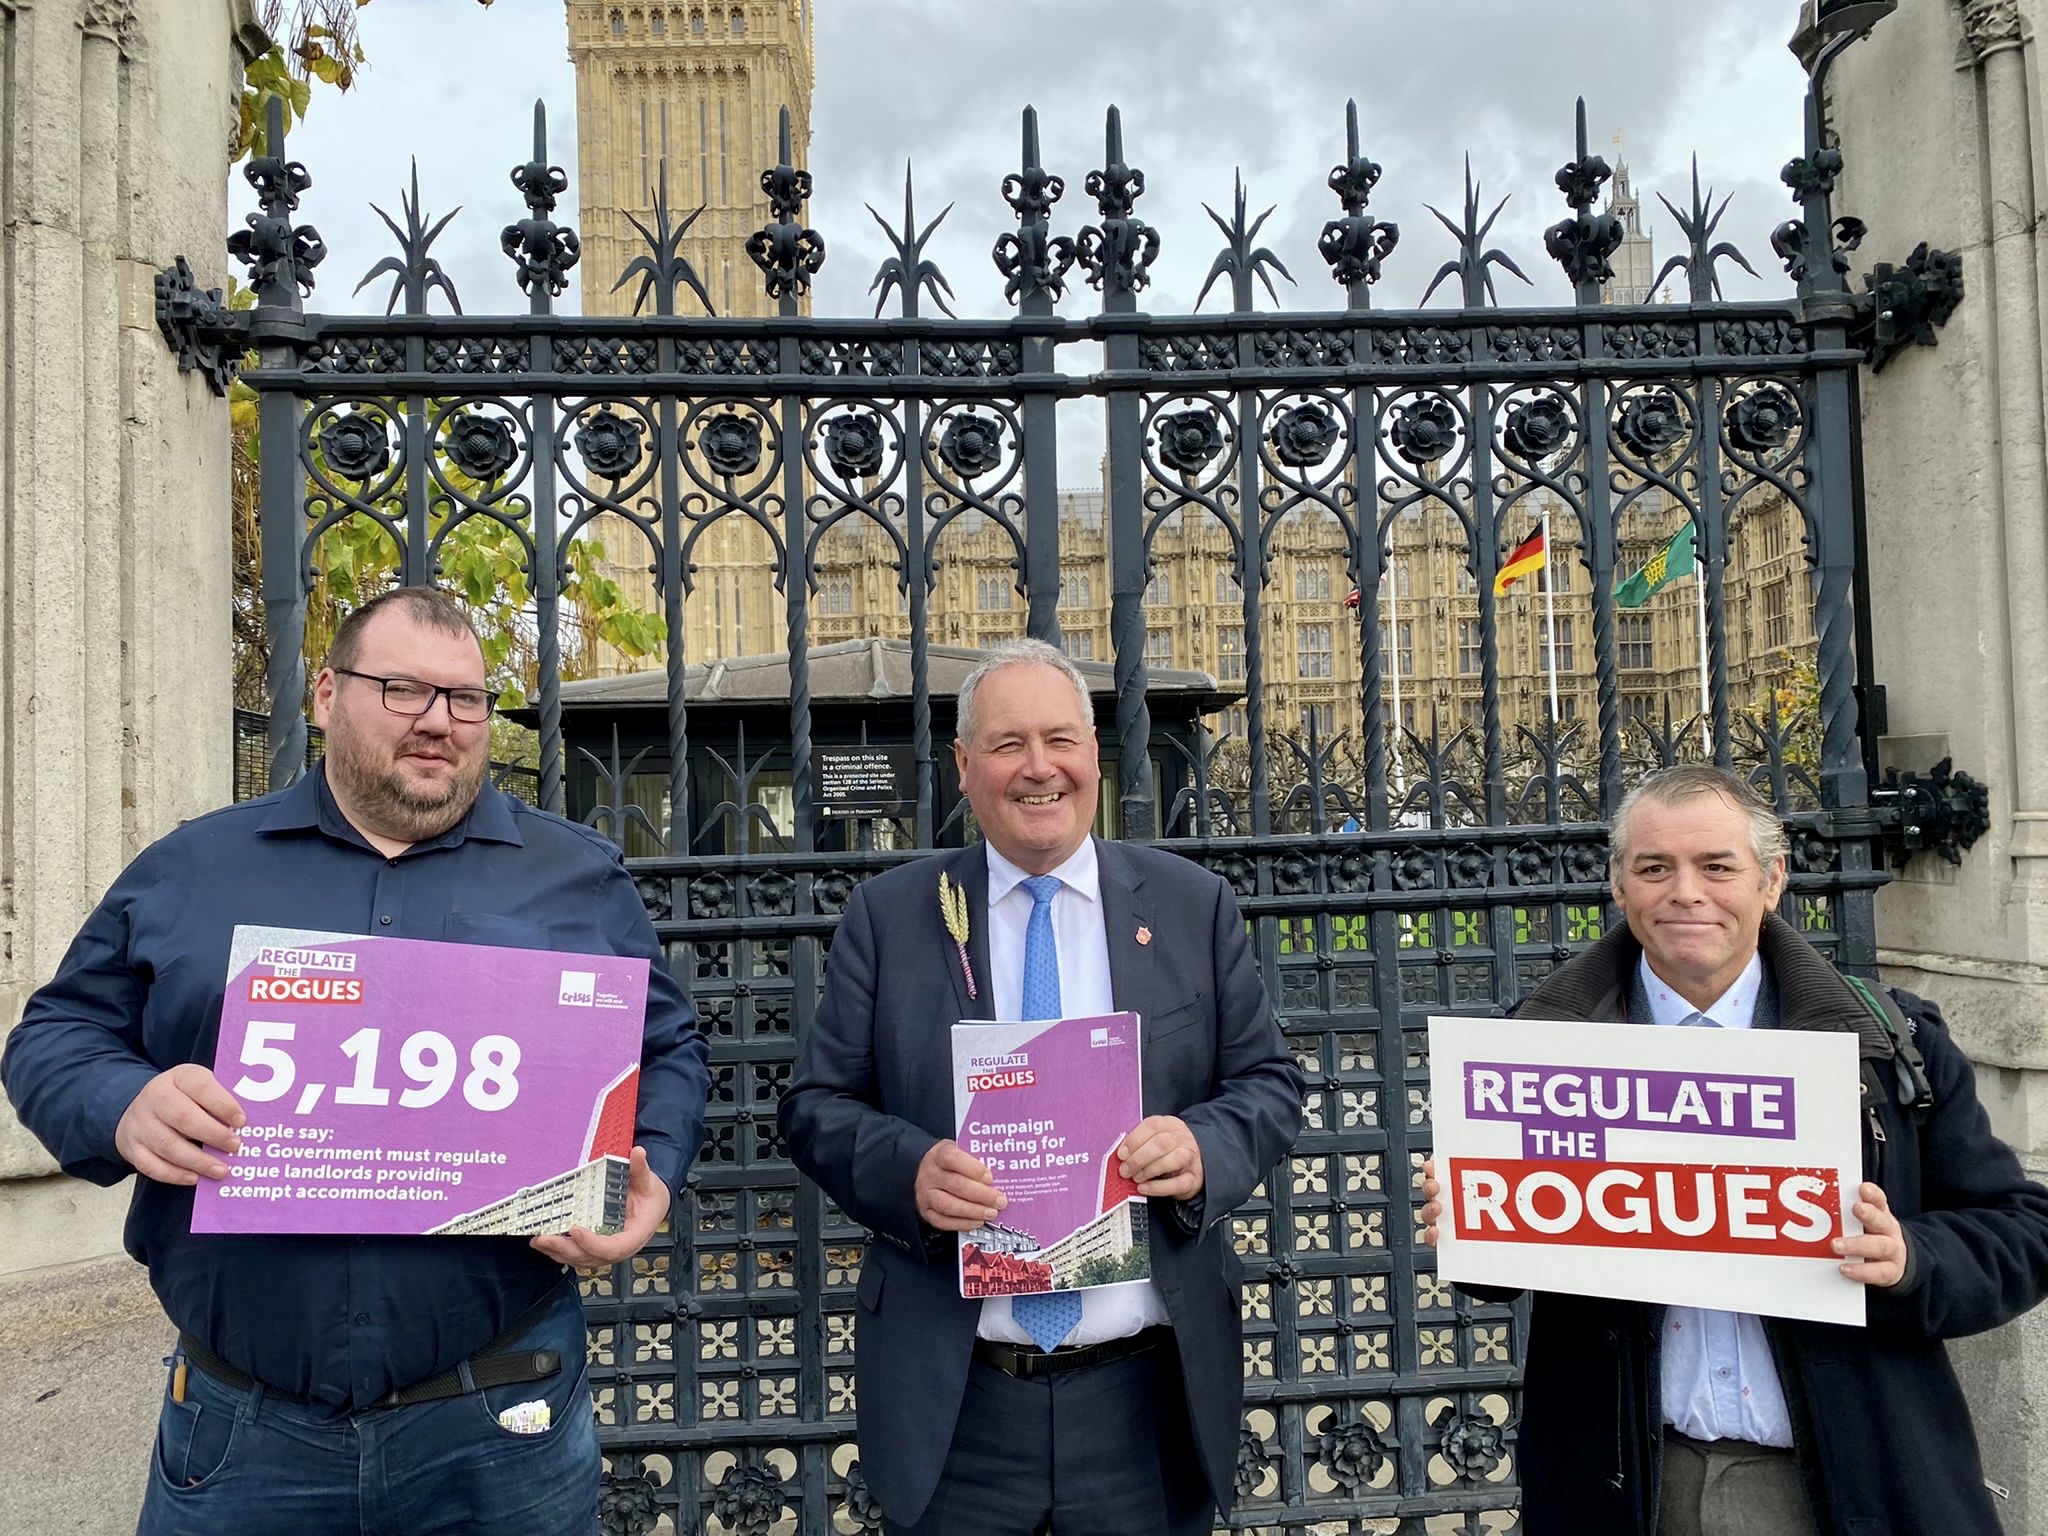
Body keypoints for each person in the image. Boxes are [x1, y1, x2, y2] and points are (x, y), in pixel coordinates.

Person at [1, 586, 710, 1536]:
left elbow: (665, 1046)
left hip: (500, 1416)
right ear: (327, 693)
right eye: (404, 689)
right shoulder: (193, 867)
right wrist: (124, 1101)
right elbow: (55, 1035)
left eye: (465, 699)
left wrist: (652, 1168)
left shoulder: (573, 874)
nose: (439, 723)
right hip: (244, 1425)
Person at [1418, 764, 2048, 1536]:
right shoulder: (1539, 1051)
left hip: (1846, 1486)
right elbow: (1498, 1277)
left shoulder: (1891, 1043)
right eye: (1655, 868)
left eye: (1717, 866)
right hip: (1632, 1491)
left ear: (1771, 880)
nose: (1686, 892)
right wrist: (1473, 1227)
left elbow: (2022, 1231)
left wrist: (1911, 1260)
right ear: (1618, 885)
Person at [778, 638, 1303, 1536]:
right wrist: (908, 1172)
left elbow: (1269, 1083)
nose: (1038, 768)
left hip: (1147, 1401)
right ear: (964, 766)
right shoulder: (891, 916)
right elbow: (815, 1107)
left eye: (1061, 739)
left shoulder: (1191, 906)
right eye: (1008, 743)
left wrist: (1201, 1147)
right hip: (962, 1403)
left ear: (1094, 753)